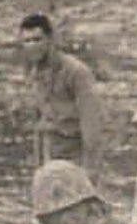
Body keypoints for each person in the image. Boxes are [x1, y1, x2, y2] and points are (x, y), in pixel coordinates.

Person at [20, 13, 104, 179]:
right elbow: (39, 118)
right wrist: (39, 166)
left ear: (50, 40)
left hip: (75, 153)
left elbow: (91, 123)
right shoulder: (34, 72)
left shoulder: (76, 72)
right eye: (27, 41)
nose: (32, 46)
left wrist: (90, 170)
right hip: (50, 151)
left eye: (37, 40)